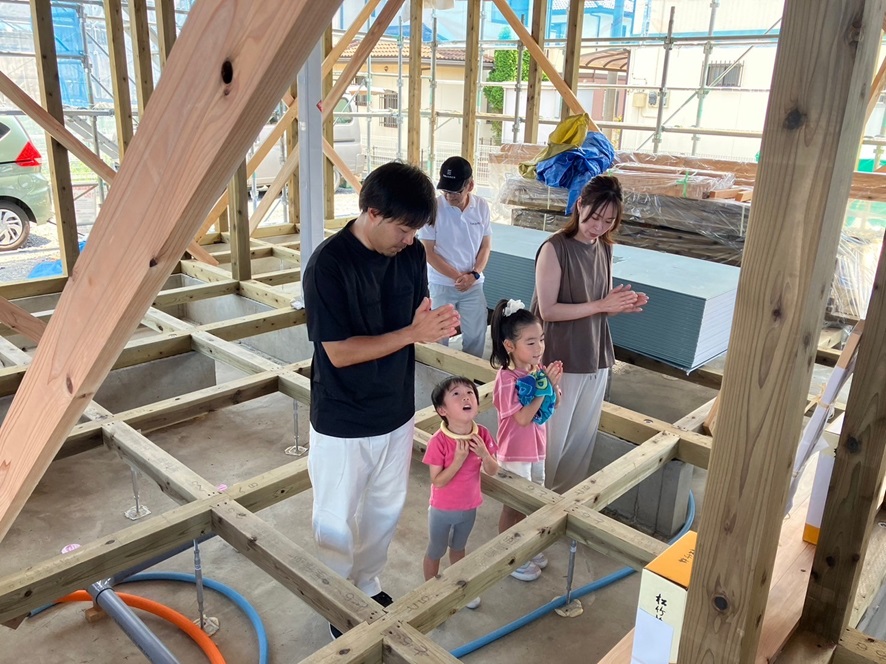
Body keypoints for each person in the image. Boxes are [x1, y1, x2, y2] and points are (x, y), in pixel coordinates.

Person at [303, 162, 460, 639]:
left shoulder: (409, 254)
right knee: (335, 518)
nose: (410, 240)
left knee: (385, 509)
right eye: (404, 229)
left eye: (416, 230)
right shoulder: (329, 265)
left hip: (395, 409)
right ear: (372, 212)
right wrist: (413, 333)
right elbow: (339, 352)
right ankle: (338, 601)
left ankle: (368, 584)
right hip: (343, 417)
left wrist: (433, 325)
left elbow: (417, 318)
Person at [532, 175, 648, 494]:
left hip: (595, 354)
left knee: (581, 439)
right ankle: (537, 502)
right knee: (552, 438)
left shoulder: (604, 247)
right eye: (595, 217)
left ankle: (566, 502)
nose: (599, 227)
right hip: (559, 357)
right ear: (580, 204)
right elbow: (548, 310)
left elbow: (599, 308)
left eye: (609, 221)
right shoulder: (554, 248)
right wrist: (602, 304)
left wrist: (619, 305)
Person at [490, 298, 563, 582]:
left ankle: (526, 547)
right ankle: (509, 555)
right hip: (515, 452)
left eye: (541, 340)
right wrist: (545, 389)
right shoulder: (507, 378)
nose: (539, 347)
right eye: (530, 342)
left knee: (532, 501)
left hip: (536, 448)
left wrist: (552, 387)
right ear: (510, 345)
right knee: (514, 504)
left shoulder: (536, 370)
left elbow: (552, 405)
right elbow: (522, 418)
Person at [422, 376, 499, 609]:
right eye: (456, 394)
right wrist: (458, 460)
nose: (466, 397)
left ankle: (458, 588)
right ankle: (431, 593)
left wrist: (484, 454)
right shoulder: (438, 441)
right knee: (436, 550)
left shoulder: (482, 434)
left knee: (459, 548)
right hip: (442, 510)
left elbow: (493, 470)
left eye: (470, 392)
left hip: (469, 507)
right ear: (442, 410)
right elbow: (438, 481)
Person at [418, 156, 493, 358]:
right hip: (441, 283)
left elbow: (486, 246)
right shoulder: (433, 208)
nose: (449, 196)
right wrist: (458, 277)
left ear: (470, 185)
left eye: (455, 191)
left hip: (474, 284)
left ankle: (470, 374)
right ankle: (439, 374)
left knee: (476, 335)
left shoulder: (481, 206)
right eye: (446, 190)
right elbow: (428, 251)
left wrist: (474, 274)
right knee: (439, 335)